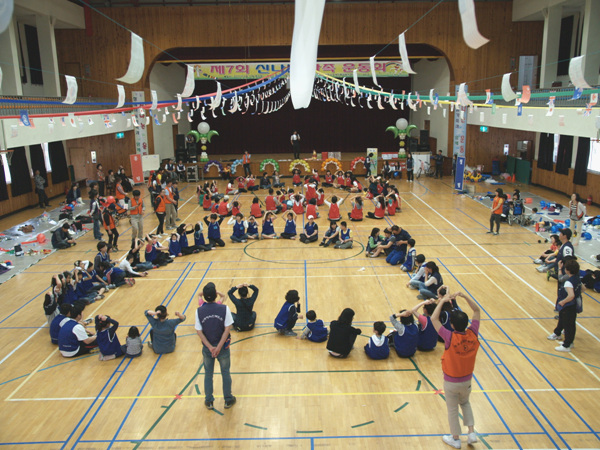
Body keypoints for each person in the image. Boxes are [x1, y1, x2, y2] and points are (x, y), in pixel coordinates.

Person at [431, 292, 481, 449]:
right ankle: (471, 433)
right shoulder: (473, 332)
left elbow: (434, 319)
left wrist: (442, 301)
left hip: (451, 381)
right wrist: (465, 296)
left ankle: (455, 439)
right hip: (467, 380)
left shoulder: (449, 337)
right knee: (465, 403)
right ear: (466, 323)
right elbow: (477, 310)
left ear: (452, 325)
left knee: (452, 409)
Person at [195, 282, 236, 410]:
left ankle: (209, 401)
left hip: (208, 349)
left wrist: (210, 347)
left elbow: (199, 331)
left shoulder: (199, 311)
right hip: (222, 347)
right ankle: (228, 399)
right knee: (225, 373)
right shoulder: (224, 308)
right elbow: (227, 329)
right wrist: (218, 347)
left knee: (208, 374)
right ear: (215, 295)